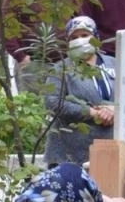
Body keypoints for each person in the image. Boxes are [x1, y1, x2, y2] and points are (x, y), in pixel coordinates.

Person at [44, 16, 116, 167]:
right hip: (72, 151)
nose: (80, 40)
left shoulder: (115, 63)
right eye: (74, 37)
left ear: (96, 37)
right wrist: (92, 112)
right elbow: (53, 102)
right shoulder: (61, 69)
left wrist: (116, 110)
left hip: (114, 147)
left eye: (85, 35)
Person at [0, 0, 77, 93]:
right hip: (33, 65)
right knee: (37, 107)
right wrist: (21, 57)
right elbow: (5, 27)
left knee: (68, 106)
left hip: (66, 62)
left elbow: (78, 17)